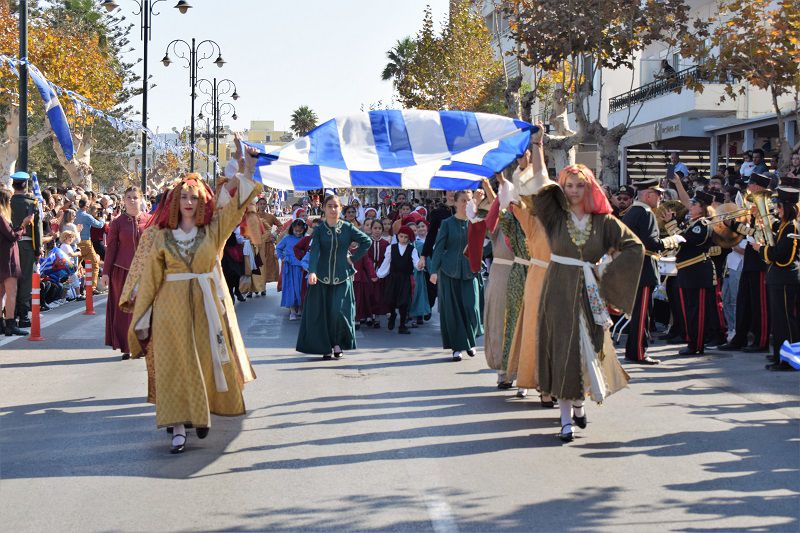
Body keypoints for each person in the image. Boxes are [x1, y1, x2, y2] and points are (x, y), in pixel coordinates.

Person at [120, 142, 262, 455]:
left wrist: (246, 168)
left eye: (193, 197)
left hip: (205, 307)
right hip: (169, 310)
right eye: (183, 196)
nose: (188, 201)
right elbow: (150, 281)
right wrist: (142, 318)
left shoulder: (213, 231)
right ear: (174, 201)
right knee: (174, 365)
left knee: (204, 362)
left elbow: (236, 207)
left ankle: (200, 413)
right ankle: (179, 428)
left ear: (201, 202)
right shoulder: (160, 236)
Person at [532, 149, 644, 441]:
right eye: (569, 185)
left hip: (589, 292)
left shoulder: (604, 222)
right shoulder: (554, 217)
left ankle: (580, 404)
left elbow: (634, 246)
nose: (574, 190)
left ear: (589, 187)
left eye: (580, 185)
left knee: (587, 349)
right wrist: (537, 148)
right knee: (562, 349)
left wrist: (605, 272)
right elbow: (539, 182)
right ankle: (565, 419)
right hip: (557, 289)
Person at [296, 194, 372, 359]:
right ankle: (325, 346)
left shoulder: (347, 228)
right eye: (329, 206)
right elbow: (315, 251)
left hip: (342, 276)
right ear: (323, 208)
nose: (332, 209)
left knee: (338, 312)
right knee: (322, 313)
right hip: (321, 278)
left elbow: (367, 241)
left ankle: (337, 343)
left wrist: (352, 258)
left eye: (335, 206)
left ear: (340, 208)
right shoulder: (319, 230)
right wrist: (312, 271)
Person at [621, 178, 683, 364]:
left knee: (639, 312)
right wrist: (674, 240)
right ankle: (639, 352)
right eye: (659, 194)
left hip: (635, 266)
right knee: (642, 313)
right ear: (648, 195)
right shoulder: (645, 213)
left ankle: (633, 350)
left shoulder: (632, 212)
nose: (661, 197)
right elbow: (652, 243)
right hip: (643, 267)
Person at [719, 172, 772, 352]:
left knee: (760, 304)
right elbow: (751, 232)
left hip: (761, 259)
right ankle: (739, 338)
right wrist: (732, 225)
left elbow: (764, 233)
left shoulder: (769, 206)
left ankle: (761, 340)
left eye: (751, 185)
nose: (748, 188)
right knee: (744, 301)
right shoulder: (754, 206)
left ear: (758, 187)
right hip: (751, 257)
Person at [429, 190, 484, 361]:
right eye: (462, 200)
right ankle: (457, 348)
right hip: (449, 271)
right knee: (453, 311)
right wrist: (433, 270)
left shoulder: (476, 222)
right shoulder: (447, 223)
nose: (466, 203)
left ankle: (470, 341)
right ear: (455, 203)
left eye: (469, 200)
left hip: (470, 271)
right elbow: (438, 247)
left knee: (471, 307)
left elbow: (488, 243)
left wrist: (481, 257)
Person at [102, 186, 151, 360]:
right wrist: (106, 272)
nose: (132, 200)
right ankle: (127, 346)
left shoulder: (150, 220)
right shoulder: (117, 222)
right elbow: (111, 248)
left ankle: (144, 345)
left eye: (135, 197)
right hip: (122, 271)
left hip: (146, 273)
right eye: (128, 197)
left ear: (141, 199)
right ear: (123, 200)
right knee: (124, 311)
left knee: (145, 309)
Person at [757, 186, 799, 371]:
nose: (777, 210)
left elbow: (782, 255)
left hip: (785, 278)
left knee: (786, 321)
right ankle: (780, 356)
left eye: (779, 206)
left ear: (788, 207)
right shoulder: (784, 225)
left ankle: (791, 360)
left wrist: (761, 248)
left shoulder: (793, 227)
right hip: (778, 278)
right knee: (778, 320)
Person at [9, 171, 42, 329]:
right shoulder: (32, 202)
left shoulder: (7, 202)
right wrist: (38, 248)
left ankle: (10, 315)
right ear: (26, 185)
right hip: (27, 245)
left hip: (8, 244)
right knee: (26, 279)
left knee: (10, 280)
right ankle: (23, 315)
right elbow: (37, 228)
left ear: (13, 185)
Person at [0, 187, 34, 335]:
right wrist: (23, 225)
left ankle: (3, 325)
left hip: (3, 256)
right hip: (7, 257)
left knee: (1, 293)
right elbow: (12, 235)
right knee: (11, 292)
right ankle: (10, 324)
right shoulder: (1, 216)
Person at [376, 225, 422, 334]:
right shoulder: (391, 248)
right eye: (401, 236)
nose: (403, 239)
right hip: (393, 278)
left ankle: (402, 325)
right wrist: (380, 274)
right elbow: (387, 262)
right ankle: (392, 315)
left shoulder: (412, 249)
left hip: (405, 278)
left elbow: (416, 262)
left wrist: (419, 265)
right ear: (398, 236)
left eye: (406, 237)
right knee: (391, 300)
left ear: (409, 238)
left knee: (404, 302)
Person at [276, 219, 307, 320]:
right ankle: (292, 311)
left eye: (300, 231)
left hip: (302, 267)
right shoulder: (287, 238)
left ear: (304, 229)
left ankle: (301, 309)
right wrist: (283, 257)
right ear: (292, 229)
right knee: (291, 288)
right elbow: (278, 248)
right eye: (296, 230)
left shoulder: (305, 239)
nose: (298, 233)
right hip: (290, 267)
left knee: (301, 288)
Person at [75, 197, 105, 295]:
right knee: (95, 265)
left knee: (75, 266)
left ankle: (75, 290)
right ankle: (91, 287)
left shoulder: (75, 214)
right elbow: (99, 225)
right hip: (86, 242)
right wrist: (102, 218)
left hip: (76, 242)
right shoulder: (87, 216)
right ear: (87, 206)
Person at [409, 219, 432, 326]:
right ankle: (409, 314)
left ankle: (419, 315)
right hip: (407, 273)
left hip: (419, 274)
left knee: (419, 294)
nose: (414, 232)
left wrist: (432, 271)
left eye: (415, 230)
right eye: (412, 230)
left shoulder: (419, 244)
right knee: (409, 294)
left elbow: (427, 260)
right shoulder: (402, 244)